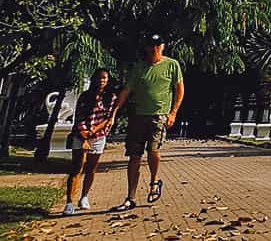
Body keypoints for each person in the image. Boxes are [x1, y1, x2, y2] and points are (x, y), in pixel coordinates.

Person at [110, 34, 184, 211]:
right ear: (146, 48)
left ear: (162, 47)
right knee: (134, 156)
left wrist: (173, 112)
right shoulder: (139, 68)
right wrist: (114, 113)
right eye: (151, 45)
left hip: (158, 115)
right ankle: (130, 197)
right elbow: (127, 91)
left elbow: (179, 89)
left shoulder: (172, 65)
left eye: (157, 45)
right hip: (137, 115)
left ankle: (154, 182)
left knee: (153, 150)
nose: (154, 49)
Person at [63, 68, 117, 215]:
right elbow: (79, 117)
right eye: (99, 78)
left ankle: (84, 196)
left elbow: (108, 119)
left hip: (98, 135)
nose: (102, 81)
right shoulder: (85, 96)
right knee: (76, 168)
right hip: (81, 135)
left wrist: (93, 132)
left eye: (105, 78)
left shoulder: (110, 98)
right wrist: (84, 134)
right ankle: (69, 202)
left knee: (91, 168)